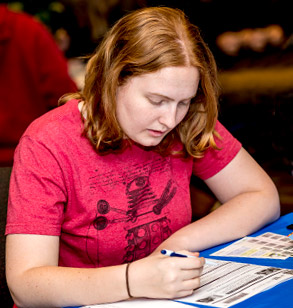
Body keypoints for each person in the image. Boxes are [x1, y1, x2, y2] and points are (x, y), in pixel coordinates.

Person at [5, 6, 280, 308]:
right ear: (113, 80)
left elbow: (262, 196)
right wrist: (132, 280)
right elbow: (25, 284)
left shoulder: (187, 120)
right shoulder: (48, 142)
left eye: (184, 102)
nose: (170, 119)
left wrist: (177, 244)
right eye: (156, 100)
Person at [0, 4, 77, 167]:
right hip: (33, 160)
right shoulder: (29, 30)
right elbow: (67, 99)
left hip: (31, 157)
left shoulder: (28, 31)